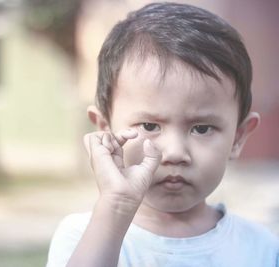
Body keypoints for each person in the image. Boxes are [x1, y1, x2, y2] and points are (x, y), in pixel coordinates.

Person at [46, 2, 279, 267]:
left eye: (201, 128)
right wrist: (116, 206)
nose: (175, 153)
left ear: (238, 138)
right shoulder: (83, 238)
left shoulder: (262, 248)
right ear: (105, 129)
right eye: (149, 126)